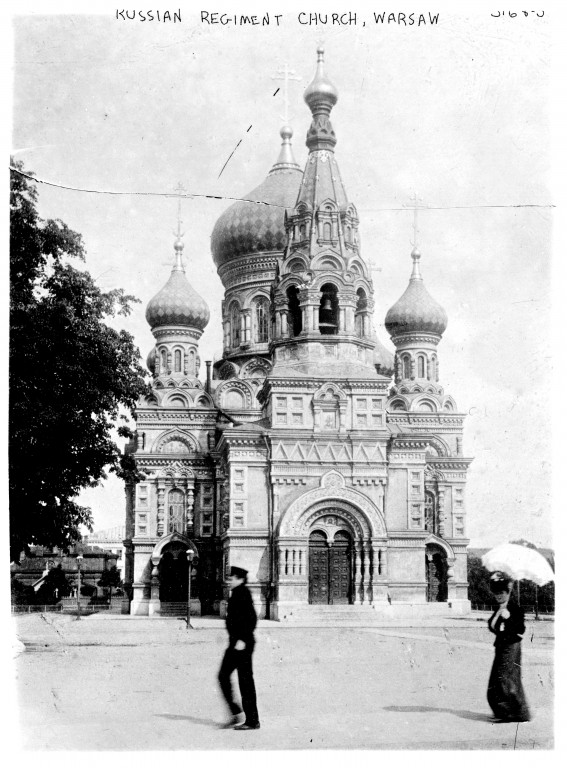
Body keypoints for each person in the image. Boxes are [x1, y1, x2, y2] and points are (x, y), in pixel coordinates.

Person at [218, 566, 260, 730]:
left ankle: (252, 720)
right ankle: (236, 713)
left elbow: (252, 618)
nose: (230, 580)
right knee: (224, 676)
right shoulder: (236, 593)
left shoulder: (243, 593)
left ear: (240, 579)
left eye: (232, 578)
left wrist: (242, 639)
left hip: (242, 644)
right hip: (236, 643)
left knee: (245, 680)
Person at [486, 572, 531, 722]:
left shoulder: (514, 608)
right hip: (501, 646)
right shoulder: (500, 608)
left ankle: (513, 713)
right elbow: (493, 626)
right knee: (496, 680)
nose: (498, 596)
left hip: (511, 647)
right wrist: (501, 620)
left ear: (507, 592)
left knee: (505, 680)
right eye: (496, 593)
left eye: (501, 593)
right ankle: (502, 711)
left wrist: (509, 618)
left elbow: (520, 629)